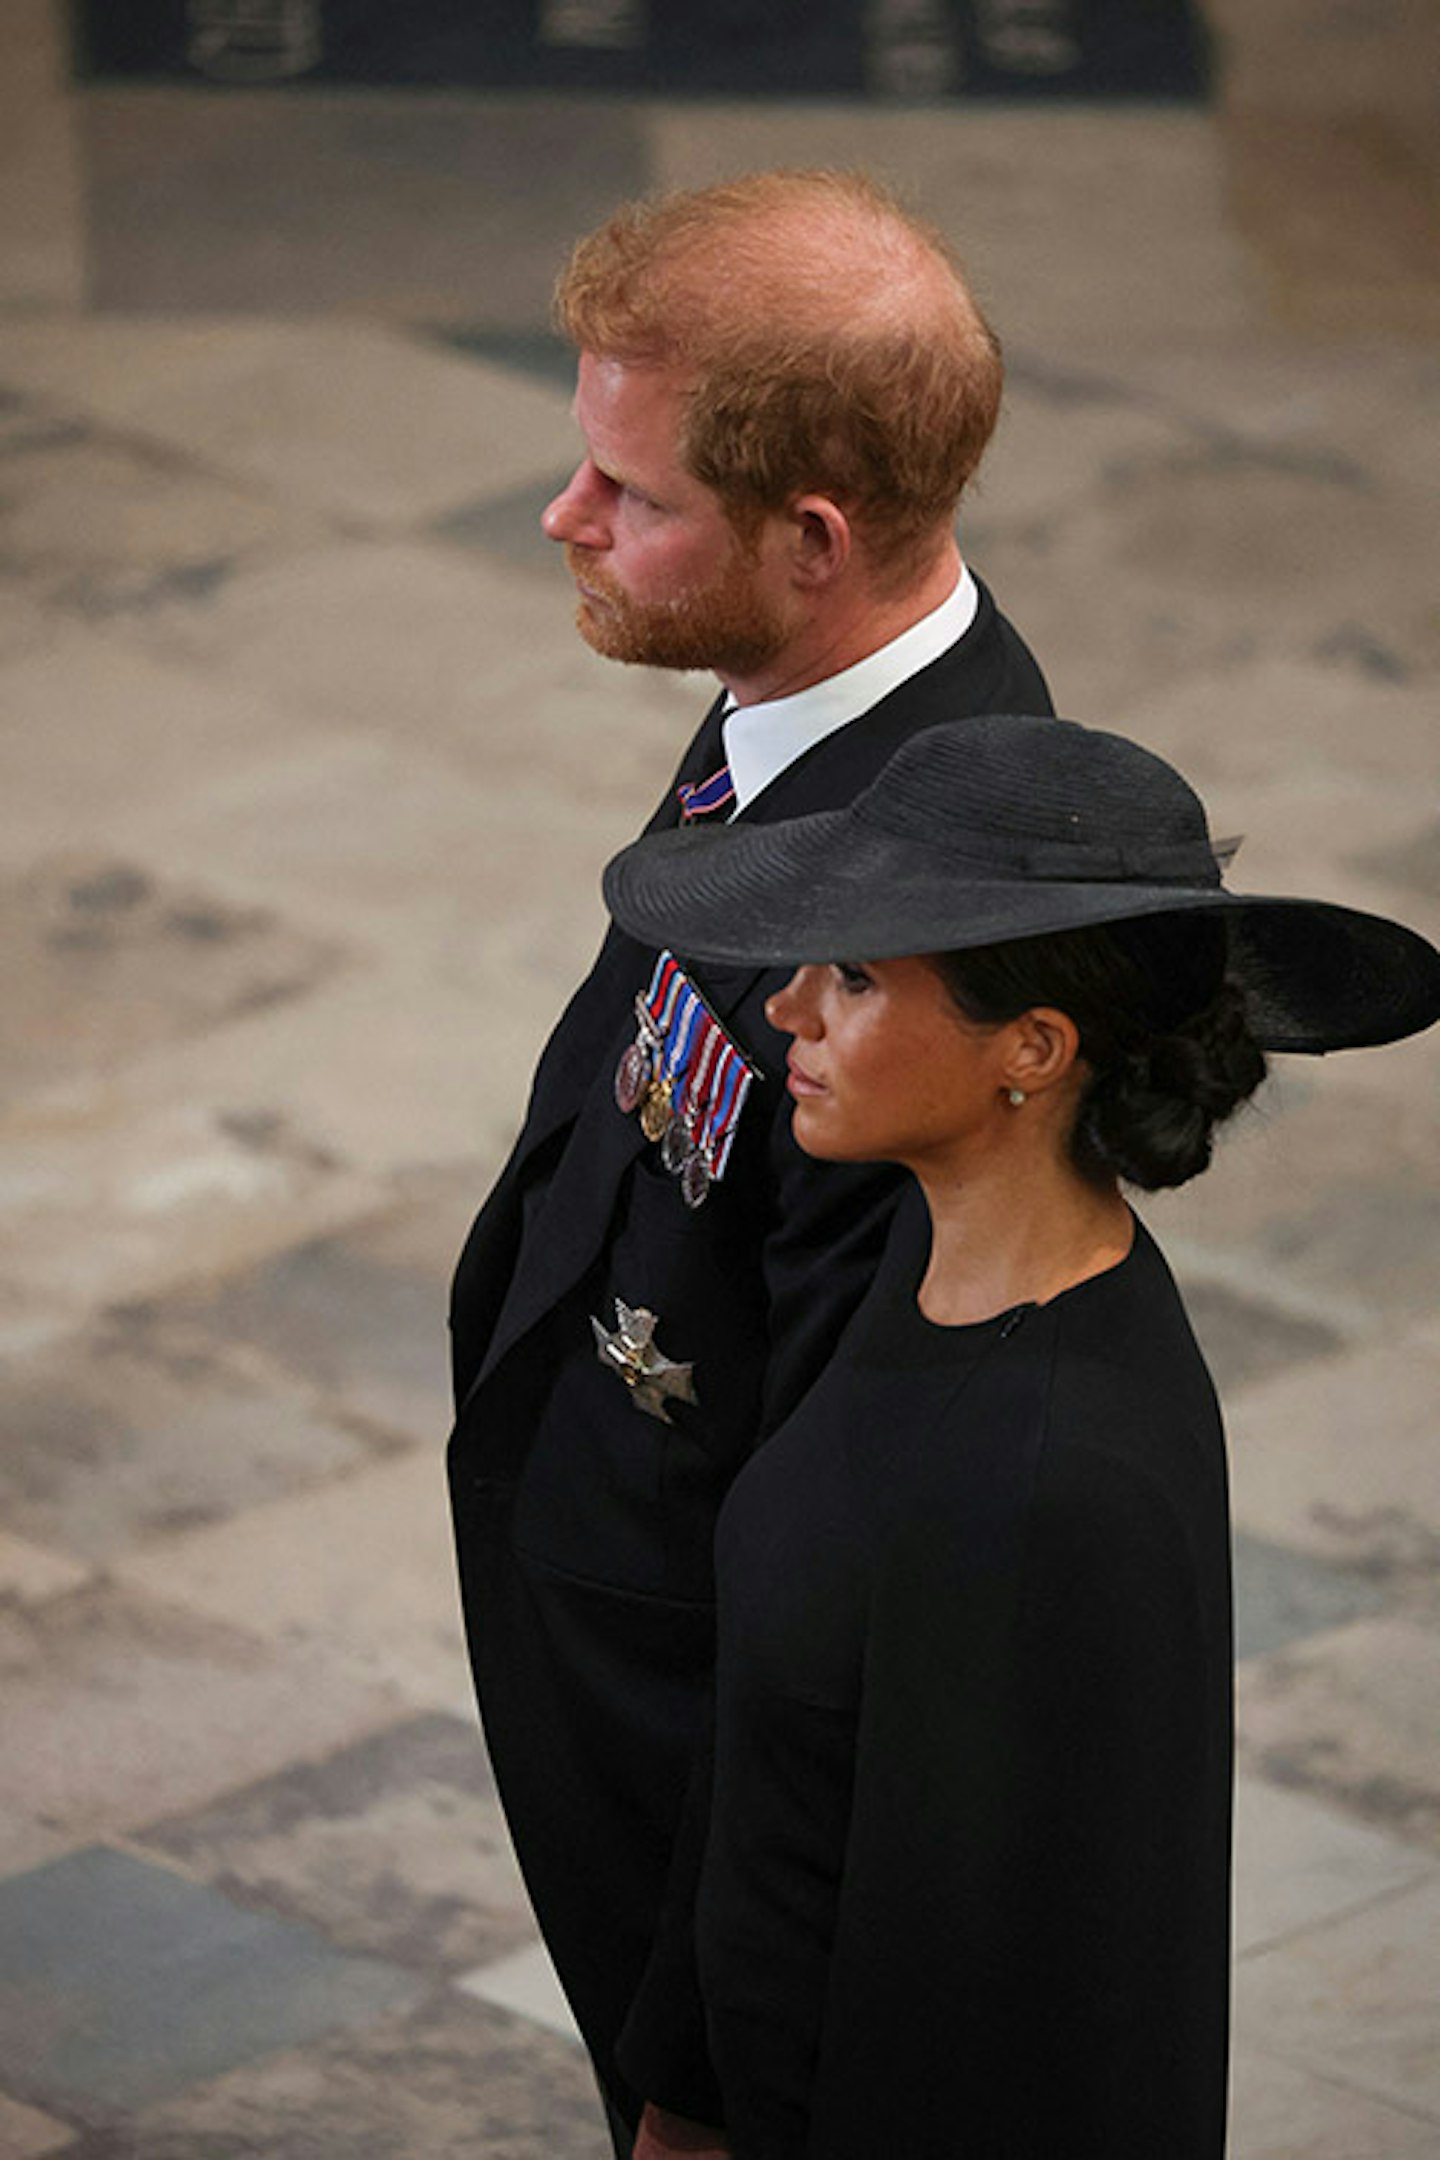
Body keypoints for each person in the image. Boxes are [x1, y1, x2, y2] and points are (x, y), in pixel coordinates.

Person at [601, 710, 1440, 2158]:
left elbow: (996, 2024)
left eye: (855, 977)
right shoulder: (920, 1283)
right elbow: (778, 1776)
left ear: (1033, 1051)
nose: (788, 1010)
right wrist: (682, 2103)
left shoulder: (1054, 1475)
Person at [446, 168, 1052, 2153]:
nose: (569, 520)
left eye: (632, 497)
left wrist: (700, 2060)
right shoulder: (807, 702)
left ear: (812, 539)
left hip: (693, 1757)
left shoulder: (920, 949)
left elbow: (834, 1568)